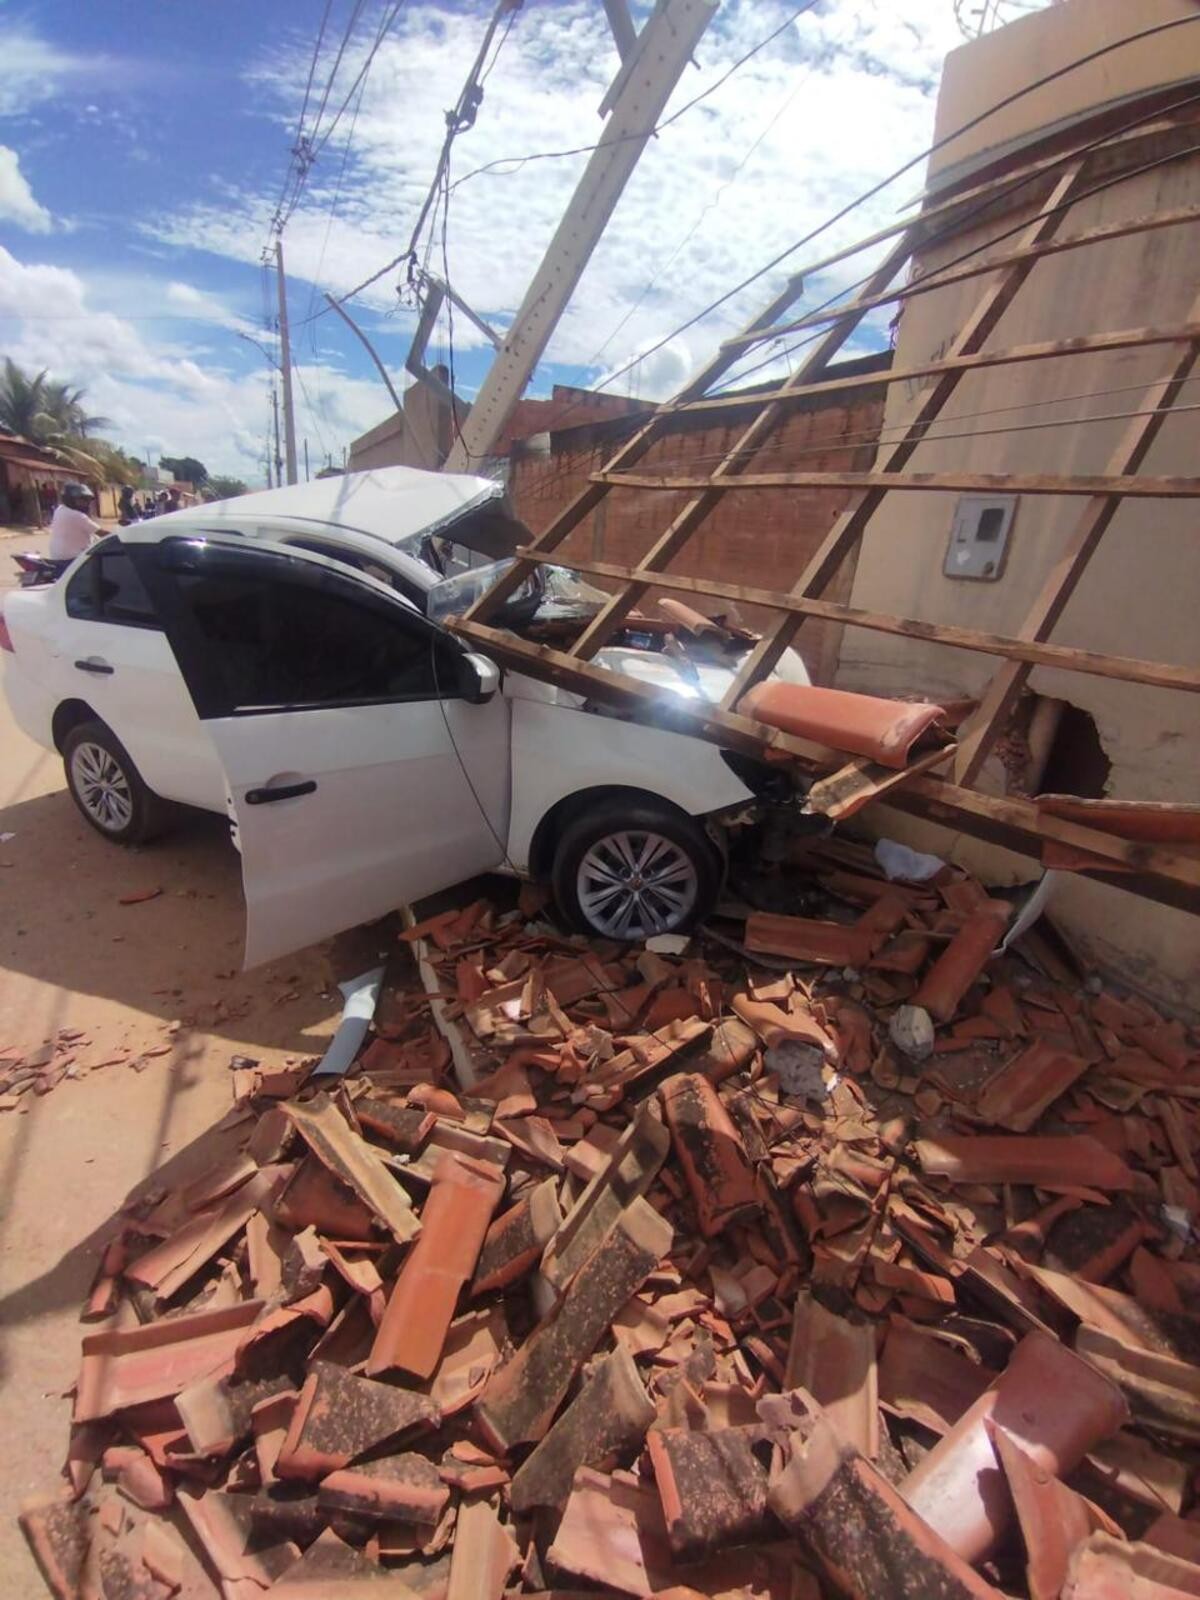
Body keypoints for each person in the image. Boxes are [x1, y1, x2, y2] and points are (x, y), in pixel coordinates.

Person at [47, 481, 102, 560]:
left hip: (58, 556)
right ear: (70, 499)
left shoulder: (60, 509)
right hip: (73, 558)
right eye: (82, 500)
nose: (86, 503)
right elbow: (101, 532)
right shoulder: (77, 515)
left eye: (87, 500)